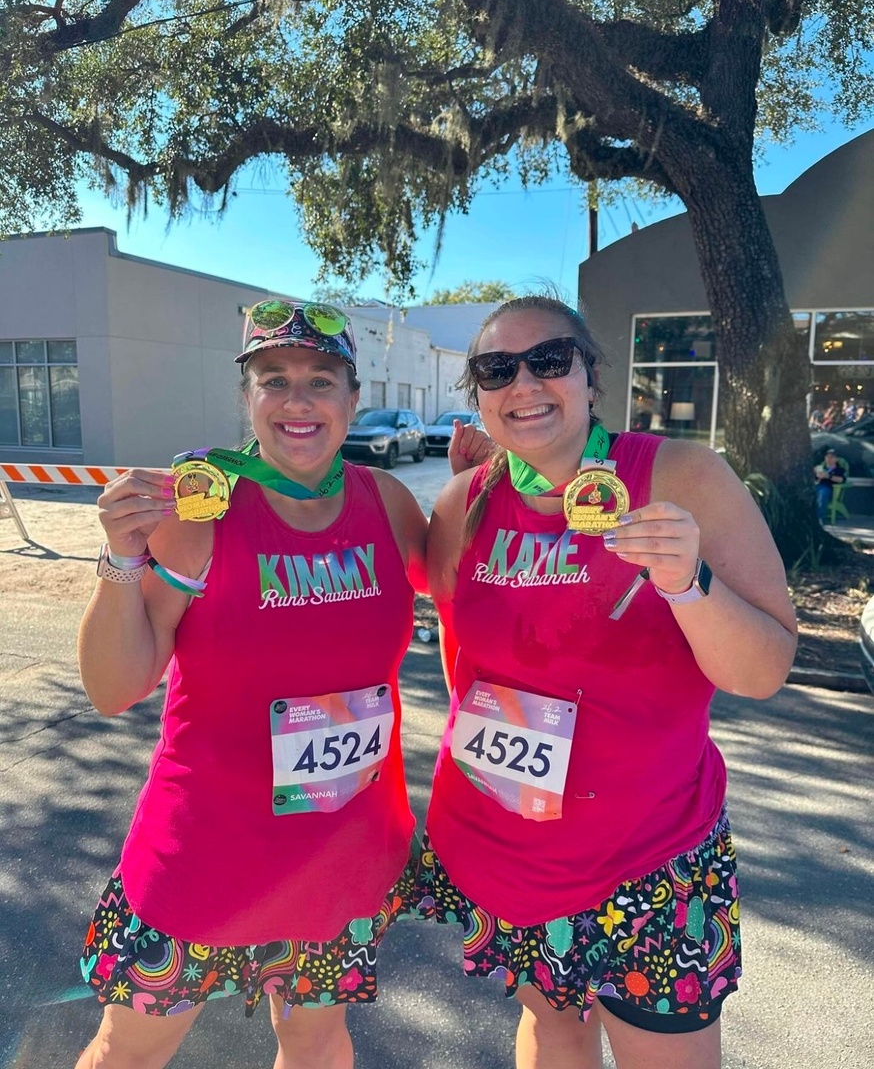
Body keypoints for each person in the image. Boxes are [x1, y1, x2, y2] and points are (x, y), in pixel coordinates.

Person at [419, 295, 797, 1069]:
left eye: (550, 360)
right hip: (504, 850)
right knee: (552, 1032)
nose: (524, 383)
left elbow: (764, 670)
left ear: (592, 376)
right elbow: (458, 654)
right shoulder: (465, 501)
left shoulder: (681, 477)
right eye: (497, 370)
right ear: (481, 396)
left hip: (649, 862)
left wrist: (688, 582)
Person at [75, 300, 437, 1068]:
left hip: (341, 854)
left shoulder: (392, 507)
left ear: (353, 399)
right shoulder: (201, 511)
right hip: (204, 856)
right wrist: (119, 559)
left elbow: (484, 596)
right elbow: (115, 688)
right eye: (274, 380)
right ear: (247, 399)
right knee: (125, 1053)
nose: (297, 401)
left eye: (320, 381)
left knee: (313, 1041)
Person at [814, 448, 847, 523]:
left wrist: (828, 476)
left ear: (836, 459)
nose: (829, 459)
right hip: (816, 486)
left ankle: (820, 519)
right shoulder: (821, 468)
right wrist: (814, 473)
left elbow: (841, 480)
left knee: (822, 493)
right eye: (827, 457)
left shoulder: (839, 470)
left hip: (830, 489)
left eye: (832, 457)